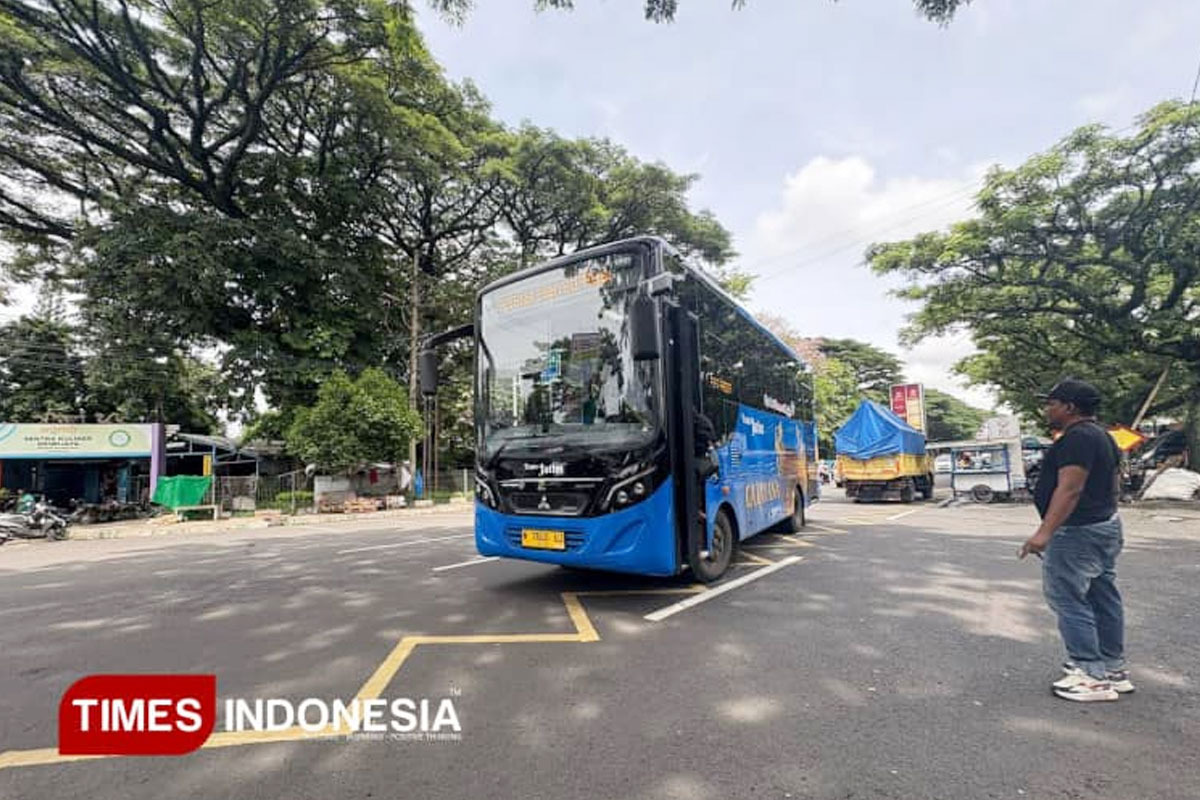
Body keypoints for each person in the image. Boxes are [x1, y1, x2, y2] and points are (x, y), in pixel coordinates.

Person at [1019, 378, 1131, 702]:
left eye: (1051, 403)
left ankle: (1091, 675)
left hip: (1078, 531)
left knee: (1068, 599)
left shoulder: (1077, 438)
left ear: (1069, 407)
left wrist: (1043, 533)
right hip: (1102, 525)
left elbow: (1070, 488)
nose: (1047, 408)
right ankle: (1112, 668)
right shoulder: (1101, 435)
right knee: (1102, 595)